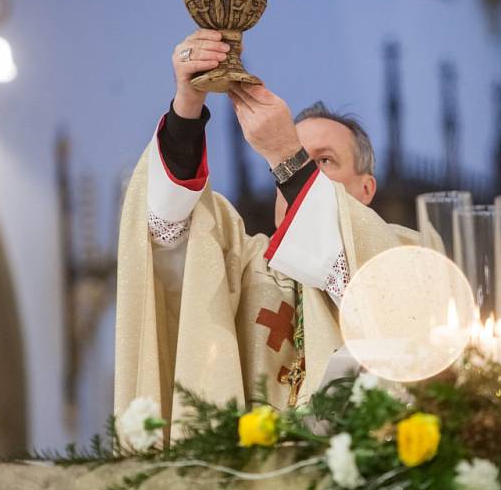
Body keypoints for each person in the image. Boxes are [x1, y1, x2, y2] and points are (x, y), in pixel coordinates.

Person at [114, 30, 415, 427]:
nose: (290, 171)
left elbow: (388, 312)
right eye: (289, 163)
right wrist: (187, 105)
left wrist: (285, 152)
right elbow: (167, 235)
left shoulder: (405, 254)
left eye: (322, 162)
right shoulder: (242, 261)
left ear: (366, 188)